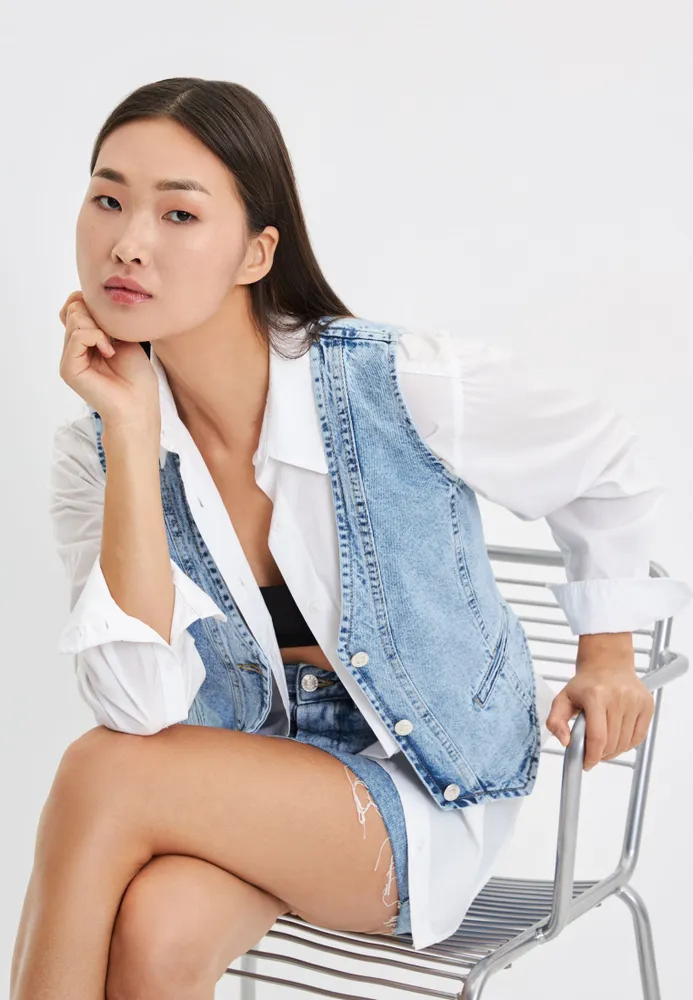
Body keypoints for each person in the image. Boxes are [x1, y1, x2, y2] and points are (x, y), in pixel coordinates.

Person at [10, 76, 692, 999]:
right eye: (107, 200)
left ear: (256, 253)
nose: (128, 242)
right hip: (245, 781)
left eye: (178, 214)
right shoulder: (94, 453)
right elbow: (138, 705)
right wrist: (132, 435)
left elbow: (603, 462)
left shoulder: (398, 381)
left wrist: (606, 650)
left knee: (100, 772)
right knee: (158, 930)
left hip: (425, 786)